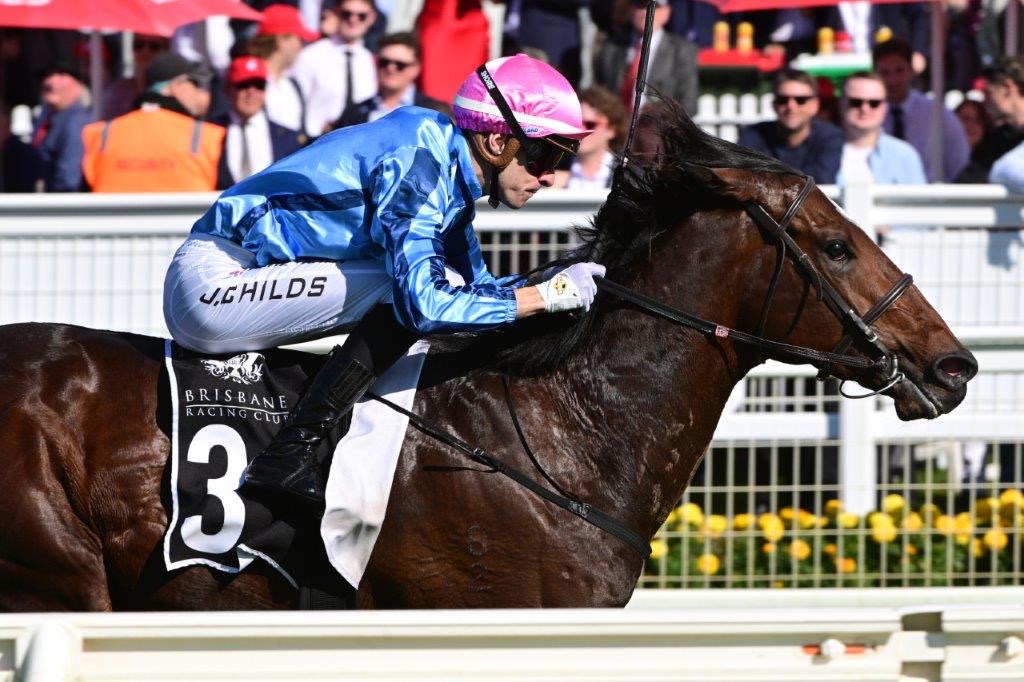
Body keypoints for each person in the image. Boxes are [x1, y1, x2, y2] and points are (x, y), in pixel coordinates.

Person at [162, 54, 604, 508]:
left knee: (439, 283)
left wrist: (556, 284)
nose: (549, 177)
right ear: (497, 142)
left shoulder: (445, 168)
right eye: (544, 155)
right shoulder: (419, 163)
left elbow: (479, 288)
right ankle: (290, 452)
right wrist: (543, 297)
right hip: (213, 283)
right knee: (406, 288)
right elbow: (425, 306)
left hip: (244, 276)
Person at [81, 53, 225, 193]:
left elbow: (79, 190)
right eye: (195, 84)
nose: (201, 93)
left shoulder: (102, 134)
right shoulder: (207, 137)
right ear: (176, 86)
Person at [872, 38, 969, 182]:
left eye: (899, 71)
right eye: (885, 73)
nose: (892, 80)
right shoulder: (868, 113)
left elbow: (959, 165)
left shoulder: (938, 115)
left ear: (912, 71)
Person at [212, 56, 305, 189]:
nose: (251, 92)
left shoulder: (286, 138)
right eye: (243, 85)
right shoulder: (209, 130)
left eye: (259, 85)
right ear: (228, 89)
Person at [737, 69, 843, 184]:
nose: (791, 106)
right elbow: (742, 177)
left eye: (800, 100)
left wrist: (766, 177)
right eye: (783, 100)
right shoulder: (753, 134)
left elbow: (823, 177)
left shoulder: (830, 136)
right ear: (774, 104)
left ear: (815, 105)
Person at [593, 0, 698, 115]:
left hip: (659, 123)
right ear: (631, 10)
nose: (646, 12)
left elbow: (688, 104)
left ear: (667, 12)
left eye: (654, 7)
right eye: (641, 6)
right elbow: (599, 94)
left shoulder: (681, 51)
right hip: (617, 121)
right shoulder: (611, 47)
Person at [291, 0, 379, 137]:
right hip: (314, 141)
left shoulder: (370, 61)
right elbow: (294, 104)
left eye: (361, 16)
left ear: (371, 18)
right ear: (336, 13)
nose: (353, 20)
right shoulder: (312, 55)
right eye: (346, 14)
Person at [332, 32, 448, 130]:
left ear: (416, 68)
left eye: (400, 65)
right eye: (384, 62)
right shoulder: (354, 112)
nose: (390, 68)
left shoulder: (434, 113)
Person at [836, 72, 926, 186]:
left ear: (885, 107)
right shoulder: (819, 151)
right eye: (856, 102)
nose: (865, 109)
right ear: (841, 104)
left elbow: (918, 197)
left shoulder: (905, 155)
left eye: (874, 103)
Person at [247, 4, 321, 137]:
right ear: (281, 40)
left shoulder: (292, 85)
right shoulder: (249, 83)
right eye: (299, 39)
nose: (301, 46)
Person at [957, 57, 1024, 183]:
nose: (985, 101)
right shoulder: (996, 139)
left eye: (988, 93)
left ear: (1007, 87)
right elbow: (967, 179)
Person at [32, 59, 93, 192]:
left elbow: (69, 179)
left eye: (61, 75)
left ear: (78, 85)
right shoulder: (46, 118)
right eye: (48, 76)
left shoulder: (76, 121)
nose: (50, 82)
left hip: (64, 200)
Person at [553, 85, 626, 190]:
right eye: (576, 124)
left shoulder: (628, 174)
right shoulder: (551, 171)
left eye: (590, 124)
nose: (581, 131)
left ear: (612, 129)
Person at [100, 34, 171, 120]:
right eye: (138, 45)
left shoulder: (172, 90)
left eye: (154, 46)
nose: (145, 51)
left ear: (166, 51)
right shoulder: (118, 91)